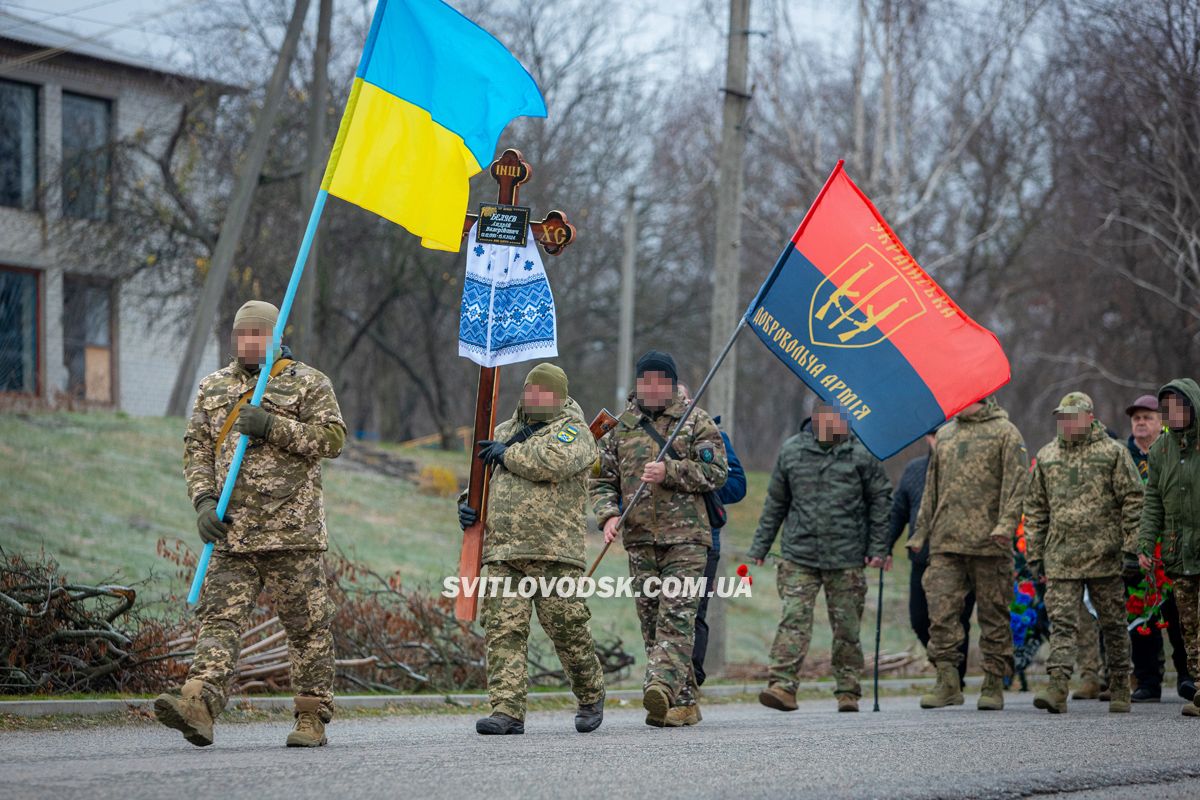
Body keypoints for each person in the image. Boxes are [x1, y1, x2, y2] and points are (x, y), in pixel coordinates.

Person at [156, 300, 346, 748]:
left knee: (307, 627)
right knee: (219, 623)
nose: (247, 343)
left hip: (292, 534)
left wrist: (271, 426)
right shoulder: (213, 387)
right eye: (240, 335)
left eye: (257, 335)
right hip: (230, 533)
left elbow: (332, 440)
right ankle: (198, 705)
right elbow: (197, 448)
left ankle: (310, 717)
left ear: (275, 336)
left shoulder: (308, 383)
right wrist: (203, 503)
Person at [458, 363, 606, 735]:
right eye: (531, 391)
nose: (537, 398)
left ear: (560, 397)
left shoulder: (574, 431)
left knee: (567, 630)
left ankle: (590, 694)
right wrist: (468, 504)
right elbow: (483, 479)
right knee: (503, 631)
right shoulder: (503, 432)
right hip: (504, 552)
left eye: (546, 393)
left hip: (555, 553)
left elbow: (552, 462)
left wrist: (505, 455)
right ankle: (507, 710)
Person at [592, 350, 728, 727]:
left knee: (677, 617)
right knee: (652, 623)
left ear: (671, 384)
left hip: (687, 538)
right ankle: (681, 703)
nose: (652, 388)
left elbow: (717, 472)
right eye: (645, 381)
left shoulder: (695, 421)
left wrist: (670, 470)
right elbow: (601, 479)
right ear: (637, 384)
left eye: (660, 381)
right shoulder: (621, 428)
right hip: (639, 539)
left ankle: (658, 686)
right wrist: (609, 514)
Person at [748, 400, 892, 713]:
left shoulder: (862, 454)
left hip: (847, 556)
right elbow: (776, 503)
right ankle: (782, 685)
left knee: (847, 627)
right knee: (794, 619)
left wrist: (879, 548)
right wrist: (760, 546)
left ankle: (848, 690)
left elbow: (881, 502)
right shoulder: (792, 451)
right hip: (799, 553)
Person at [1024, 392, 1143, 714]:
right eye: (1062, 417)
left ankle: (1119, 685)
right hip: (1061, 558)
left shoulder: (1112, 453)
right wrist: (1035, 555)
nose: (1067, 422)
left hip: (1106, 557)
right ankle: (1057, 687)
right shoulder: (1047, 456)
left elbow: (1134, 500)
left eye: (1073, 416)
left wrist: (1131, 549)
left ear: (1089, 418)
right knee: (1062, 624)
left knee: (1114, 624)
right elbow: (1035, 508)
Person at [910, 396, 1028, 711]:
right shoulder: (946, 434)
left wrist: (1005, 525)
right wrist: (921, 531)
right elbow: (931, 487)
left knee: (994, 616)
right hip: (946, 543)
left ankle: (992, 683)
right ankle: (947, 682)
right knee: (941, 615)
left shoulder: (1006, 432)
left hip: (990, 544)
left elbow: (1017, 486)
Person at [888, 432, 974, 687]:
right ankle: (944, 665)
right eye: (936, 435)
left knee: (958, 619)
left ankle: (954, 677)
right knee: (919, 619)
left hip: (959, 557)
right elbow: (898, 512)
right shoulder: (915, 470)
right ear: (928, 438)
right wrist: (883, 547)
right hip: (922, 558)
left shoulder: (967, 466)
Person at [1123, 394, 1193, 702]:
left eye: (1147, 417)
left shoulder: (1176, 450)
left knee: (1180, 616)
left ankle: (1188, 677)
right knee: (1141, 618)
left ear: (1160, 422)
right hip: (1137, 548)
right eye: (1136, 417)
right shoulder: (1121, 456)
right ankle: (1148, 681)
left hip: (1175, 547)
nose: (1140, 422)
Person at [677, 384, 748, 688]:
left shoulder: (714, 436)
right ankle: (664, 682)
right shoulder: (642, 438)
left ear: (691, 402)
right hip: (653, 541)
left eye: (681, 399)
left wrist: (694, 483)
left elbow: (736, 485)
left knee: (693, 613)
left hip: (703, 540)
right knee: (657, 616)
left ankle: (689, 685)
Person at [1137, 380, 1200, 717]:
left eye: (1179, 406)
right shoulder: (1161, 450)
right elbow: (1153, 503)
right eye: (1167, 409)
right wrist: (1145, 543)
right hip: (1179, 551)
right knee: (1189, 624)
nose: (1173, 414)